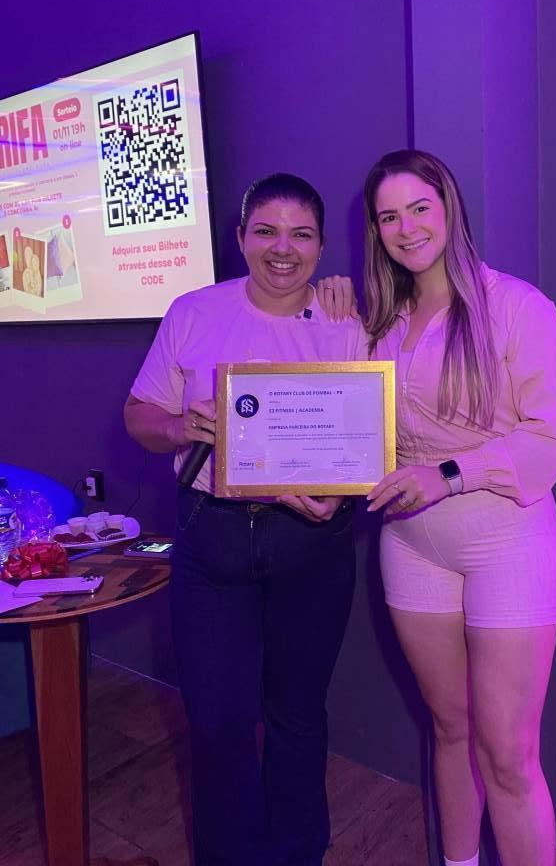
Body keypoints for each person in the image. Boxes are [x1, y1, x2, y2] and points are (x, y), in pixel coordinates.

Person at [124, 173, 366, 866]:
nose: (282, 248)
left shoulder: (349, 322)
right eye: (265, 231)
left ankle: (296, 855)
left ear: (321, 246)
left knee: (298, 717)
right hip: (214, 540)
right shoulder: (194, 312)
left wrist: (343, 494)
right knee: (218, 724)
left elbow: (371, 438)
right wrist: (180, 426)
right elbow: (139, 415)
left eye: (300, 234)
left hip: (312, 543)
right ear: (240, 238)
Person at [361, 150, 556, 866]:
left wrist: (448, 475)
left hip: (507, 542)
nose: (407, 228)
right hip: (410, 546)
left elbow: (552, 433)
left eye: (419, 208)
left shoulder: (516, 306)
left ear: (449, 207)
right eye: (388, 217)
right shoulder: (377, 322)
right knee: (449, 729)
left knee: (507, 753)